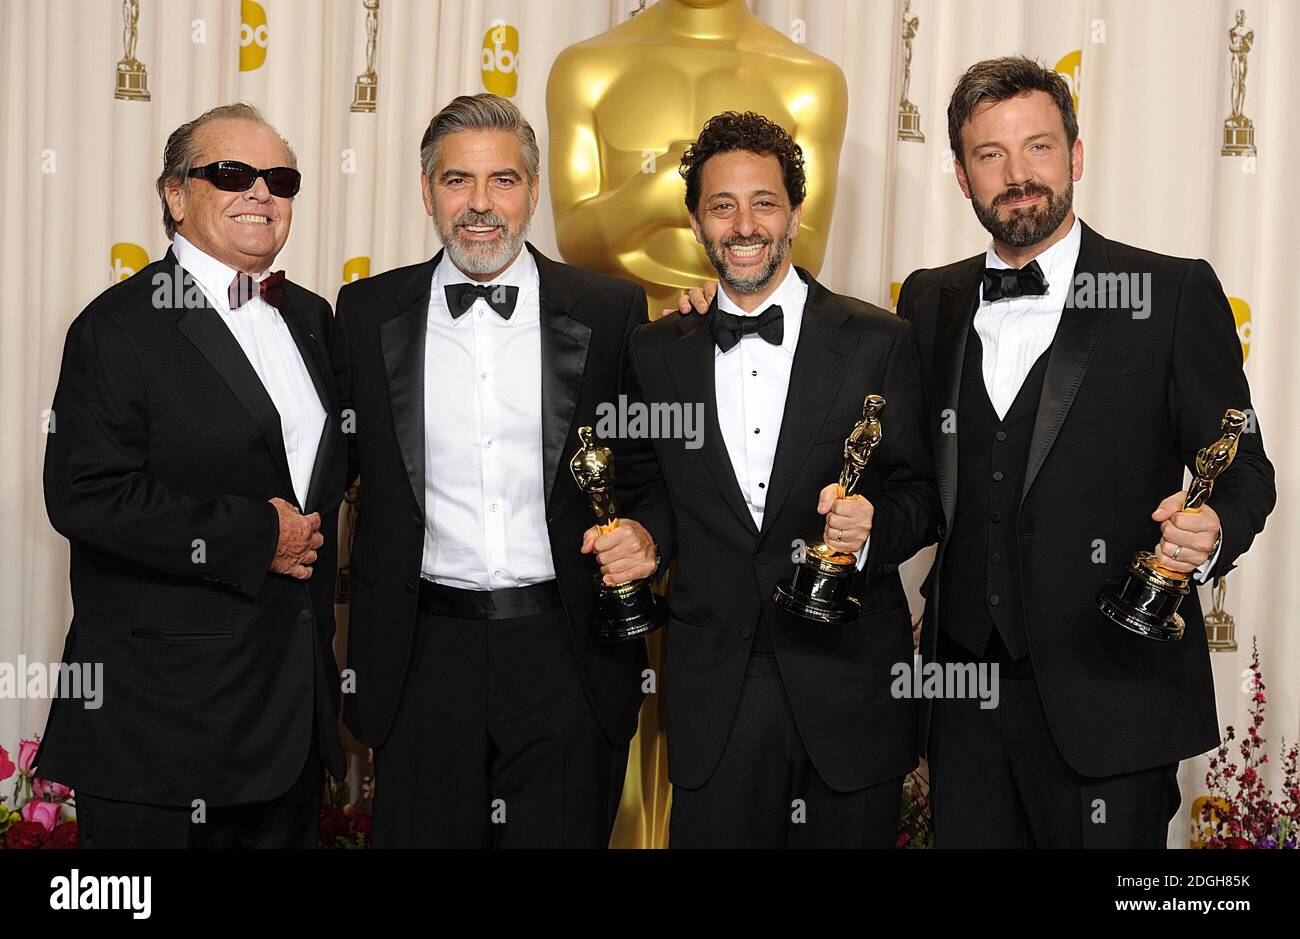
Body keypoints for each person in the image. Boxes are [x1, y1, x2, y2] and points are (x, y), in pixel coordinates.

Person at [899, 56, 1275, 847]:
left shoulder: (1168, 292)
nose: (1017, 175)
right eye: (989, 155)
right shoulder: (925, 297)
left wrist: (1210, 539)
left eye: (1037, 147)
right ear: (962, 177)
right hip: (962, 697)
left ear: (1075, 155)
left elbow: (1240, 468)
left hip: (1113, 693)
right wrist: (710, 307)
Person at [330, 93, 669, 847]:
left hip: (567, 648)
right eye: (458, 181)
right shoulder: (364, 312)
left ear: (533, 191)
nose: (480, 205)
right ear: (426, 191)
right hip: (420, 654)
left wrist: (647, 535)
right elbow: (321, 466)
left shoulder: (611, 309)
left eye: (503, 181)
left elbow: (650, 469)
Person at [39, 103, 347, 848]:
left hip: (290, 721)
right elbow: (85, 494)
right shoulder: (118, 325)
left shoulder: (311, 317)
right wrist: (254, 534)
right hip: (163, 729)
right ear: (176, 196)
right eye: (231, 173)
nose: (261, 193)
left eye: (280, 177)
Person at [630, 111, 939, 847]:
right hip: (718, 693)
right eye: (722, 205)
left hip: (851, 686)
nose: (745, 224)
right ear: (696, 222)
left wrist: (870, 531)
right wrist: (642, 535)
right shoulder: (654, 351)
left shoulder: (879, 340)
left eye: (764, 202)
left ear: (796, 214)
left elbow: (924, 498)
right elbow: (653, 493)